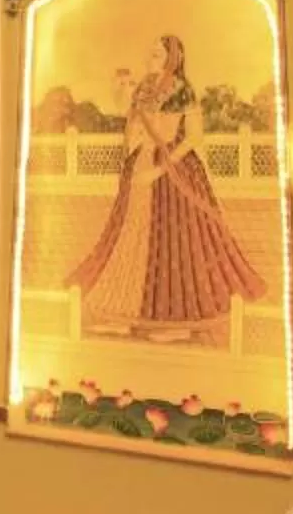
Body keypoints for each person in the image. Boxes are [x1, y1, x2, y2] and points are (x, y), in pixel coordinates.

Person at [67, 34, 267, 337]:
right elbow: (132, 123)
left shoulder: (182, 89)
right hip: (139, 169)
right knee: (130, 240)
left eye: (158, 55)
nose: (151, 59)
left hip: (172, 173)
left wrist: (161, 168)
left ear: (174, 59)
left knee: (174, 245)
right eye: (151, 54)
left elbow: (194, 137)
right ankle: (124, 313)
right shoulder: (144, 87)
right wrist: (133, 151)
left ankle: (177, 323)